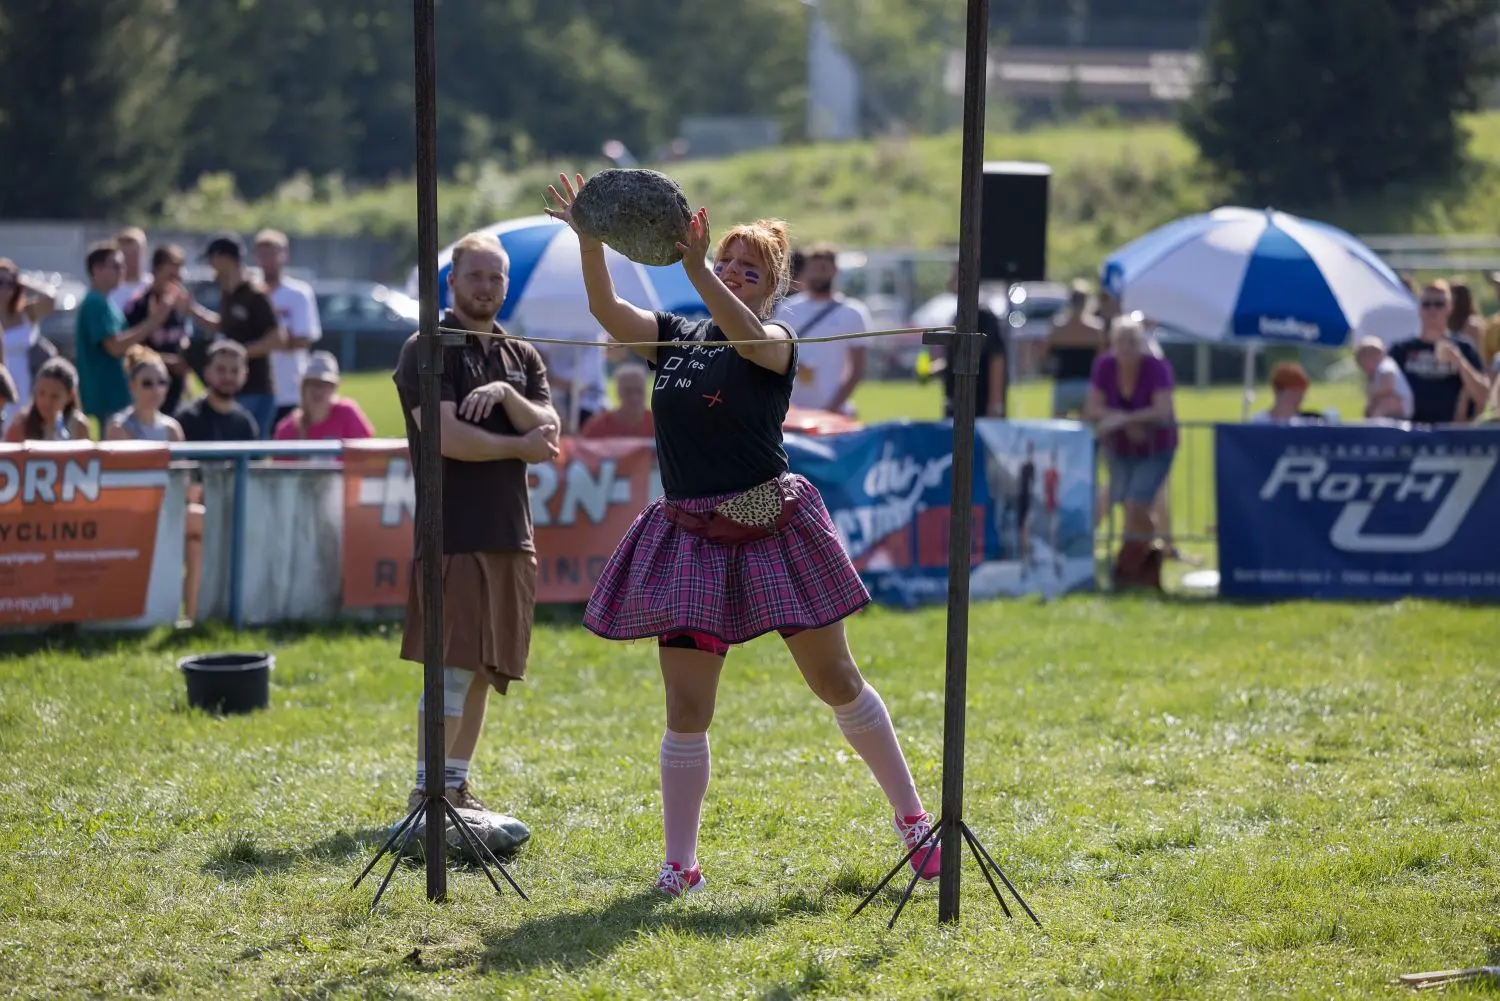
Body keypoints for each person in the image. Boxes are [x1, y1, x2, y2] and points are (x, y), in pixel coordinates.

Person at [548, 172, 942, 899]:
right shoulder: (676, 335)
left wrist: (698, 271)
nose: (731, 272)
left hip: (770, 524)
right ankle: (681, 864)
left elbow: (751, 338)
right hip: (690, 532)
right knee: (686, 709)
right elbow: (606, 310)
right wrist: (591, 238)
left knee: (835, 679)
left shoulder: (777, 340)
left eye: (748, 270)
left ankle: (914, 819)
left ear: (774, 288)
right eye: (724, 261)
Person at [392, 230, 559, 815]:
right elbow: (448, 438)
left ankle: (456, 786)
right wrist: (517, 445)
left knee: (487, 668)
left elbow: (550, 430)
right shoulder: (427, 346)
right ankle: (426, 791)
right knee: (453, 669)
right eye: (475, 276)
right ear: (452, 281)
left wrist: (506, 396)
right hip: (452, 531)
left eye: (496, 277)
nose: (486, 287)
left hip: (511, 531)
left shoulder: (521, 355)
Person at [1084, 314, 1178, 590]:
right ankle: (1138, 563)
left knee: (1137, 502)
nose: (1126, 347)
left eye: (1132, 341)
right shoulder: (1104, 366)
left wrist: (1124, 419)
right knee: (1127, 504)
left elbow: (1163, 410)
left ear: (1140, 342)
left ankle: (1132, 563)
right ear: (1112, 343)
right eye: (1121, 341)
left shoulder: (1156, 367)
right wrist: (1126, 421)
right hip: (1120, 449)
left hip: (1157, 447)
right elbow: (1092, 408)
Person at [75, 241, 181, 429]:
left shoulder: (106, 303)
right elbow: (115, 347)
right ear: (97, 269)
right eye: (116, 266)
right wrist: (154, 320)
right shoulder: (95, 303)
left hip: (115, 395)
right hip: (105, 396)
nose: (123, 270)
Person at [187, 235, 284, 437]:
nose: (211, 266)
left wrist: (238, 355)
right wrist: (192, 310)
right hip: (233, 387)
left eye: (212, 259)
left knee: (251, 450)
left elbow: (277, 338)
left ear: (225, 258)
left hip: (256, 388)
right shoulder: (228, 293)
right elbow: (224, 327)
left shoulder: (255, 294)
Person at [772, 243, 870, 415]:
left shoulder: (853, 312)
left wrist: (833, 408)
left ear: (835, 271)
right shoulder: (787, 309)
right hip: (791, 412)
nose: (818, 274)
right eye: (813, 268)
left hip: (834, 412)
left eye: (823, 268)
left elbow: (857, 367)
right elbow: (774, 354)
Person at [1389, 280, 1490, 424]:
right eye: (1426, 304)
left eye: (1439, 304)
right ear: (1419, 309)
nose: (1432, 309)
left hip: (1451, 432)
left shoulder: (1464, 347)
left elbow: (1483, 397)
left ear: (1450, 307)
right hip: (1410, 430)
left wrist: (1459, 361)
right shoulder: (1401, 350)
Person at [254, 229, 324, 428]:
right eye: (262, 254)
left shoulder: (298, 293)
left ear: (284, 255)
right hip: (255, 386)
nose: (267, 260)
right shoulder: (250, 292)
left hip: (290, 388)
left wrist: (264, 344)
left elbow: (303, 338)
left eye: (272, 253)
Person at [922, 263, 1008, 419]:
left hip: (979, 404)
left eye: (955, 276)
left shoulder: (983, 316)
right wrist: (933, 370)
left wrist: (995, 403)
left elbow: (996, 357)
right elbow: (959, 357)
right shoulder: (958, 316)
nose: (950, 280)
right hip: (956, 402)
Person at [124, 244, 195, 417]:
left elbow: (181, 338)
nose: (175, 282)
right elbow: (131, 350)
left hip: (174, 388)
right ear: (156, 271)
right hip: (147, 389)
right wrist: (167, 361)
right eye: (171, 276)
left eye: (178, 277)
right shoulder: (139, 305)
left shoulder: (177, 305)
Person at [0, 259, 58, 428]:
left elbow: (50, 299)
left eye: (8, 283)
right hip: (2, 379)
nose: (4, 288)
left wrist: (23, 280)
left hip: (24, 377)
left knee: (21, 423)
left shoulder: (25, 313)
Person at [273, 351, 375, 441]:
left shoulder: (347, 413)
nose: (317, 390)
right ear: (303, 388)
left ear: (334, 388)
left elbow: (366, 452)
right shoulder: (288, 429)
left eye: (324, 385)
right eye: (312, 384)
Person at [175, 340, 260, 442]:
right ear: (207, 372)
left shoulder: (245, 423)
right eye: (221, 370)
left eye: (235, 371)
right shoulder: (187, 419)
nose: (228, 377)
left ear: (245, 376)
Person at [1047, 280, 1105, 417]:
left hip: (1063, 384)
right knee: (1087, 427)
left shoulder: (1057, 328)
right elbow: (1101, 359)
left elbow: (1045, 353)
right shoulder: (1096, 329)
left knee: (1058, 426)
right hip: (1087, 384)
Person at [104, 346, 184, 442]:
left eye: (162, 382)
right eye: (147, 383)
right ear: (132, 385)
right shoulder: (118, 427)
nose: (156, 390)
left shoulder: (172, 429)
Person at [4, 357, 91, 442]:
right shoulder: (20, 425)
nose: (46, 402)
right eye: (41, 393)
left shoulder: (79, 427)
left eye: (55, 396)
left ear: (70, 396)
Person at [580, 363, 654, 439]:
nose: (634, 397)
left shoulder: (656, 422)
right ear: (618, 392)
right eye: (628, 391)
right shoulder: (598, 426)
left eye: (639, 390)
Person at [1354, 337, 1414, 421]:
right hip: (1394, 402)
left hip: (1401, 403)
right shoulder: (1377, 371)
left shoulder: (1385, 365)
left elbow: (1388, 386)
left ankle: (1376, 423)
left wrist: (1372, 394)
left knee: (1383, 405)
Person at [1251, 361, 1326, 424]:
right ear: (1277, 391)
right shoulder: (1260, 421)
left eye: (1301, 394)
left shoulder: (1306, 422)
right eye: (1293, 394)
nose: (1298, 399)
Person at [107, 227, 151, 312]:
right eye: (126, 254)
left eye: (135, 252)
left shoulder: (151, 285)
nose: (131, 259)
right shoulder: (109, 290)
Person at [1017, 441, 1035, 574]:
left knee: (1026, 528)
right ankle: (1025, 557)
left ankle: (1027, 557)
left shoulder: (1030, 467)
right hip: (1023, 501)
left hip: (1027, 501)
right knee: (1023, 529)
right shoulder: (1024, 466)